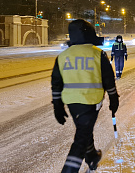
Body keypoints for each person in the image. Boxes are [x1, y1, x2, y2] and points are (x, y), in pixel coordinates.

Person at [51, 19, 119, 173]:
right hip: (90, 102)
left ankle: (92, 157)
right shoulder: (97, 54)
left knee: (84, 131)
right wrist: (114, 98)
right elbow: (108, 79)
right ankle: (69, 170)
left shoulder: (63, 56)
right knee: (81, 138)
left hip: (72, 104)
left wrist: (57, 105)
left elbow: (56, 83)